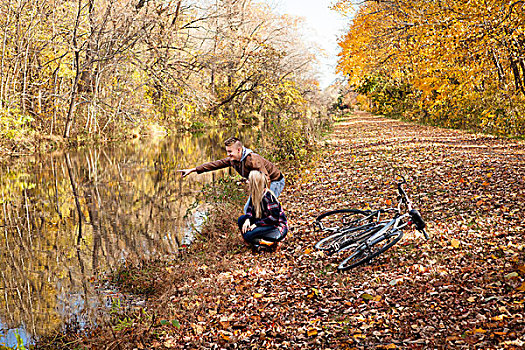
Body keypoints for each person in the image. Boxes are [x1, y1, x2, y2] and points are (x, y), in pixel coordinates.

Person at [178, 137, 285, 212]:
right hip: (258, 183)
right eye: (227, 152)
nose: (228, 154)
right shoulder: (233, 160)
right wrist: (193, 170)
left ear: (239, 150)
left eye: (230, 151)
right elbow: (215, 164)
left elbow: (266, 178)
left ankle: (275, 233)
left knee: (265, 207)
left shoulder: (253, 160)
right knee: (248, 209)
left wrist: (263, 196)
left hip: (275, 180)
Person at [237, 170, 287, 249]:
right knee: (241, 220)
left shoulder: (268, 197)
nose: (247, 182)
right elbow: (250, 209)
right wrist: (248, 219)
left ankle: (270, 243)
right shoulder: (255, 195)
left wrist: (256, 224)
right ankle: (255, 242)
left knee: (248, 235)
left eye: (249, 180)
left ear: (255, 183)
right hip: (264, 223)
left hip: (276, 227)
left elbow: (274, 218)